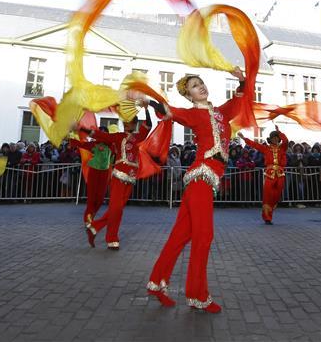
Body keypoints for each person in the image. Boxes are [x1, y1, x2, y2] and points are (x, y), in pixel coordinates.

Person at [146, 68, 245, 313]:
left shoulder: (221, 112)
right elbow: (169, 111)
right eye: (194, 86)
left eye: (201, 83)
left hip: (205, 181)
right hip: (201, 177)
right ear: (189, 95)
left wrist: (241, 78)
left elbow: (241, 97)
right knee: (204, 236)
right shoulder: (192, 114)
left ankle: (157, 283)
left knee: (181, 236)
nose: (200, 86)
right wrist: (147, 100)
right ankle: (198, 294)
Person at [84, 106, 153, 249]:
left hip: (131, 177)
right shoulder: (118, 137)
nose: (129, 125)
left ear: (135, 124)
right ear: (124, 124)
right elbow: (97, 135)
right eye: (126, 122)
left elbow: (149, 125)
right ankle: (111, 237)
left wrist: (146, 109)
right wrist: (80, 128)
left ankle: (96, 228)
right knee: (115, 208)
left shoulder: (138, 137)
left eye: (131, 122)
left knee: (118, 209)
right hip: (118, 176)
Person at [238, 127, 289, 224]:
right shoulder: (266, 148)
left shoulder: (282, 148)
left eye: (277, 137)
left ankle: (271, 211)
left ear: (279, 139)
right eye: (273, 137)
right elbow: (254, 144)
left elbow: (286, 141)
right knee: (267, 195)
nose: (275, 139)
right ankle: (267, 217)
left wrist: (279, 132)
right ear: (270, 139)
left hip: (280, 174)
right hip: (269, 174)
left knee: (276, 196)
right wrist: (244, 138)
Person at [69, 132, 113, 237]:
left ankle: (91, 217)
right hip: (93, 171)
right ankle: (87, 220)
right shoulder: (94, 145)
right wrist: (70, 138)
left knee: (100, 199)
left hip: (105, 172)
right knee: (92, 198)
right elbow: (82, 144)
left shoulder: (112, 145)